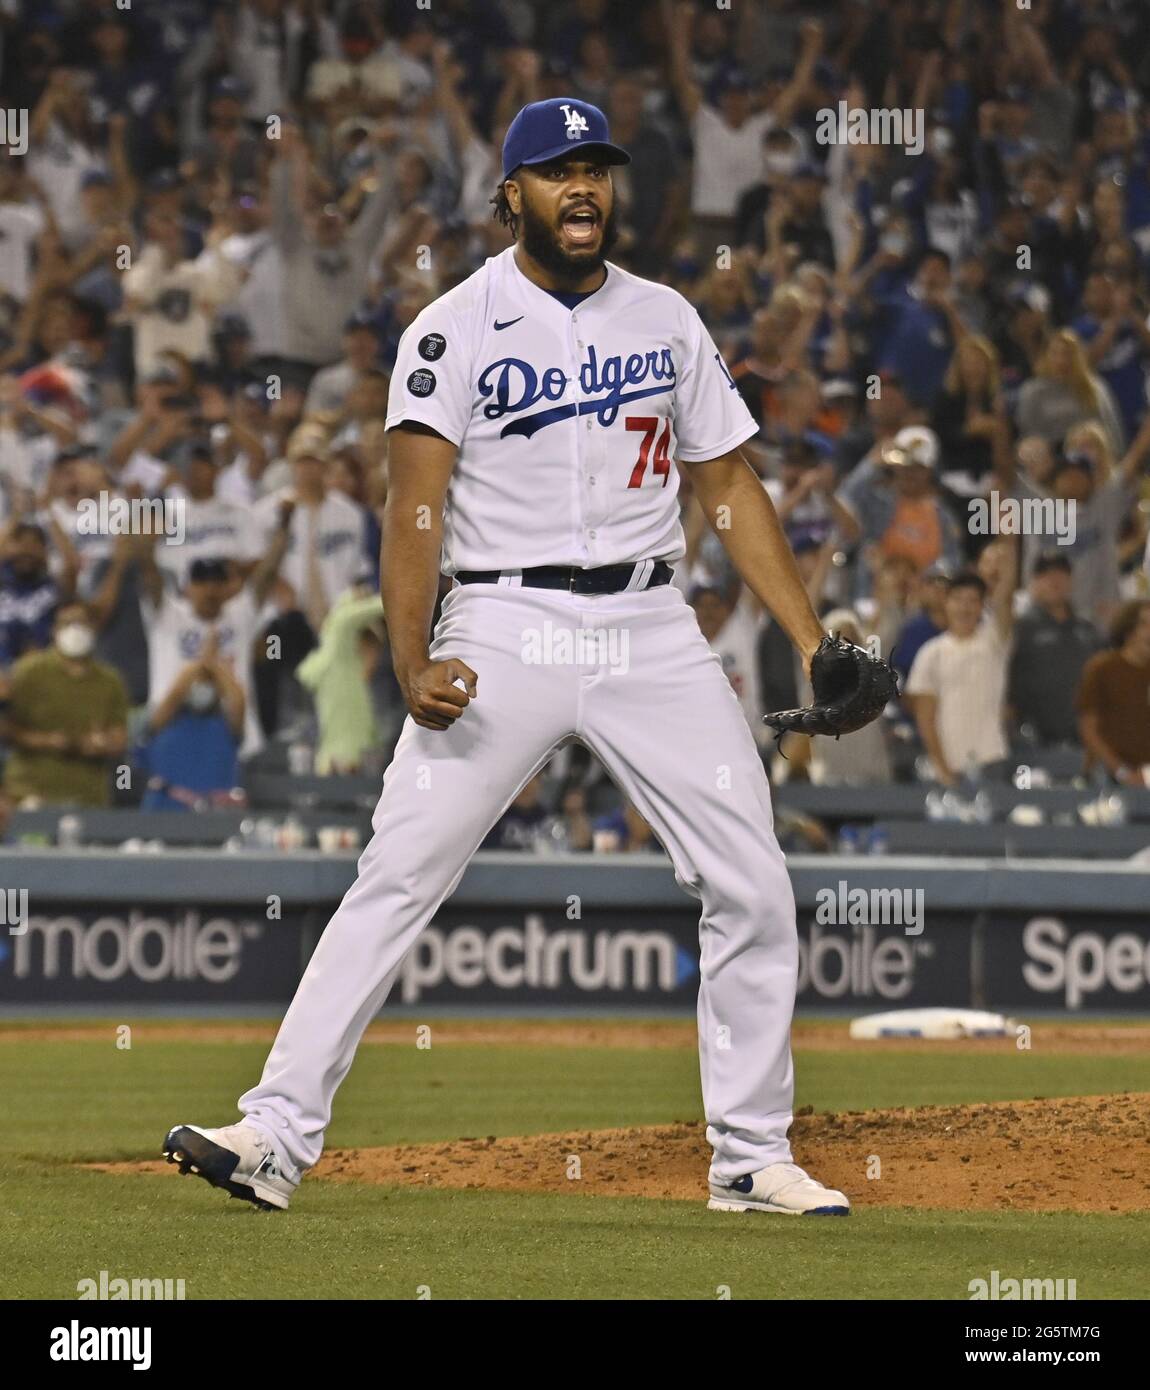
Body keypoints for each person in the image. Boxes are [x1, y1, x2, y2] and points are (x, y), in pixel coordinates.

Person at [164, 96, 876, 1219]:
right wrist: (410, 661)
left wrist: (810, 638)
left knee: (751, 879)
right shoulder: (449, 328)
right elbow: (412, 513)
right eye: (556, 171)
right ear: (512, 195)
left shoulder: (668, 320)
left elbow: (729, 488)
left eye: (595, 167)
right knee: (399, 869)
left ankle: (748, 1153)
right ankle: (274, 1131)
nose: (581, 187)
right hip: (501, 621)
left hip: (651, 623)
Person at [2, 600, 128, 806]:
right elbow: (6, 728)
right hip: (28, 792)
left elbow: (120, 740)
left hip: (88, 796)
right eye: (68, 623)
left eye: (82, 622)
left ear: (94, 628)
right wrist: (47, 741)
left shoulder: (110, 681)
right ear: (54, 630)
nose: (75, 629)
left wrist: (100, 744)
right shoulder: (27, 672)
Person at [906, 554, 1016, 787]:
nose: (964, 607)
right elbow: (925, 716)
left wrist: (1008, 540)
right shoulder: (930, 653)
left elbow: (1006, 597)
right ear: (946, 603)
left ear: (981, 606)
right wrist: (942, 767)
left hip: (991, 758)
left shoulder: (994, 641)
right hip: (949, 765)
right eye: (958, 599)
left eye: (972, 600)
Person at [1008, 554, 1101, 748]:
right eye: (1046, 575)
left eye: (1061, 574)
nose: (1054, 581)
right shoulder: (1019, 629)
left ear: (1071, 581)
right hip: (1033, 740)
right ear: (1033, 583)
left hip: (1084, 739)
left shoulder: (1088, 630)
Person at [1076, 599, 1150, 785]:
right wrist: (1122, 772)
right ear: (1128, 629)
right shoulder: (1102, 667)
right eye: (1144, 624)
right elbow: (1088, 728)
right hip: (1109, 772)